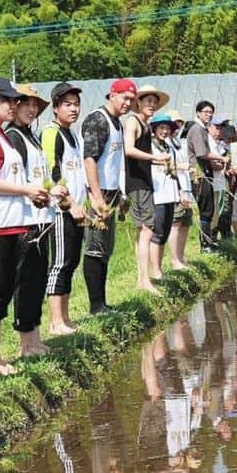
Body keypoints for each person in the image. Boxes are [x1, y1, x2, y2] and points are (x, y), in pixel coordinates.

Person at [0, 78, 53, 375]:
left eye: (14, 101)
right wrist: (26, 191)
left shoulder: (2, 134)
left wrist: (33, 190)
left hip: (10, 225)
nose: (12, 106)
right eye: (7, 100)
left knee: (2, 293)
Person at [4, 84, 55, 355]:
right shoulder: (13, 136)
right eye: (26, 104)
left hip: (41, 216)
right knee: (26, 280)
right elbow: (18, 178)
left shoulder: (30, 136)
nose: (32, 109)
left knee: (37, 279)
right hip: (26, 218)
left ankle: (35, 337)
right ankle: (27, 343)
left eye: (35, 106)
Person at [80, 78, 137, 313]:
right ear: (112, 94)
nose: (128, 103)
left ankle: (102, 302)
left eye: (131, 100)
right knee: (94, 248)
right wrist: (97, 197)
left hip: (112, 192)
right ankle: (95, 305)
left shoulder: (118, 123)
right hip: (98, 193)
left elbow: (113, 163)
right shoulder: (98, 120)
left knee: (105, 249)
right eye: (125, 98)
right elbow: (90, 159)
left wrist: (120, 194)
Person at [41, 82, 88, 335]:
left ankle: (66, 317)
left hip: (77, 209)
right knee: (59, 263)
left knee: (71, 261)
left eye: (76, 104)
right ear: (56, 107)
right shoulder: (52, 133)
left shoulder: (73, 134)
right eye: (67, 104)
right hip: (61, 210)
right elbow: (52, 170)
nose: (74, 109)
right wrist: (69, 203)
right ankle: (55, 321)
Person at [122, 84, 169, 294]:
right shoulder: (132, 121)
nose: (151, 105)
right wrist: (154, 157)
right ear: (138, 102)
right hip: (137, 183)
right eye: (147, 101)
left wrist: (158, 162)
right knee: (146, 230)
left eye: (154, 102)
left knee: (145, 230)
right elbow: (129, 149)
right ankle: (143, 279)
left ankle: (144, 277)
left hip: (145, 180)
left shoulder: (146, 125)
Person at [149, 114, 191, 277]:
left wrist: (180, 191)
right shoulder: (150, 147)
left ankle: (159, 268)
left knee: (164, 232)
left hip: (170, 194)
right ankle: (156, 270)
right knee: (157, 232)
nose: (165, 131)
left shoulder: (169, 147)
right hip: (157, 194)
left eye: (167, 128)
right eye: (161, 128)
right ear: (155, 129)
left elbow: (173, 173)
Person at [186, 100, 224, 252]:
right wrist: (221, 158)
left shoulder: (202, 129)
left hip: (204, 174)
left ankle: (208, 242)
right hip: (199, 176)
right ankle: (205, 245)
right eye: (206, 112)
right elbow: (201, 153)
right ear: (198, 113)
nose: (208, 115)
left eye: (210, 112)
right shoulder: (197, 129)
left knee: (209, 209)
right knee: (206, 210)